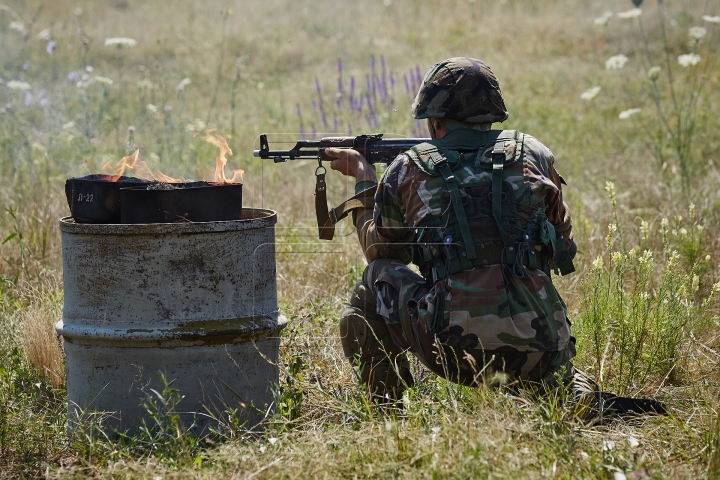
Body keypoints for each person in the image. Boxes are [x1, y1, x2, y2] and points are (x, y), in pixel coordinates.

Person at [323, 57, 579, 400]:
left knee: (376, 278)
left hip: (458, 353)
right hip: (546, 347)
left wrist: (364, 181)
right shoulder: (535, 153)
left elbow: (381, 253)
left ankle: (386, 414)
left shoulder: (406, 170)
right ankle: (565, 390)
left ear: (435, 120)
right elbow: (565, 249)